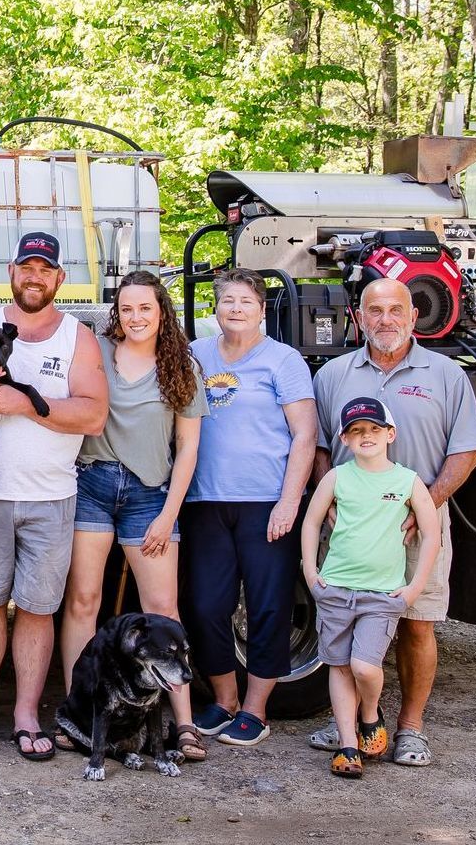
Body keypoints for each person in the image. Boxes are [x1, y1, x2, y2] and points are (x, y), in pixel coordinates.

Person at [0, 232, 108, 761]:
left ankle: (26, 715)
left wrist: (22, 403)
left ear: (59, 278)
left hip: (52, 497)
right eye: (26, 267)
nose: (34, 277)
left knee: (36, 609)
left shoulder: (77, 338)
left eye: (45, 269)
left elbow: (94, 414)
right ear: (11, 272)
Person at [305, 278, 476, 766]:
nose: (385, 319)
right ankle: (355, 721)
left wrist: (423, 506)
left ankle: (410, 728)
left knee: (417, 626)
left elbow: (466, 448)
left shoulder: (446, 374)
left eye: (395, 310)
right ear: (358, 317)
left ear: (413, 316)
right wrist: (334, 504)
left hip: (416, 527)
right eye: (374, 310)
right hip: (350, 531)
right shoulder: (333, 375)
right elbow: (320, 445)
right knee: (344, 627)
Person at [57, 270, 209, 762]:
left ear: (161, 312)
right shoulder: (96, 355)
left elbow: (187, 449)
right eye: (127, 309)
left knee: (163, 610)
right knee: (83, 601)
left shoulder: (181, 366)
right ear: (116, 315)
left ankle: (183, 725)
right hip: (93, 485)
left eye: (146, 308)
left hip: (149, 496)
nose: (136, 317)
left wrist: (168, 515)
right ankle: (81, 717)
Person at [181, 267, 316, 747]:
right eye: (227, 301)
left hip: (265, 503)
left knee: (268, 605)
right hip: (205, 499)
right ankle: (225, 698)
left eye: (245, 301)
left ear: (262, 309)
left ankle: (256, 709)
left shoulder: (283, 360)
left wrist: (289, 502)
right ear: (215, 310)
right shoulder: (195, 355)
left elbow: (305, 435)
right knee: (204, 605)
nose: (235, 309)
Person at [300, 397, 441, 779]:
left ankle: (369, 713)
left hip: (381, 596)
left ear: (390, 434)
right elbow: (312, 523)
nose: (366, 436)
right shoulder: (338, 477)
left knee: (364, 666)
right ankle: (348, 747)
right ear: (344, 438)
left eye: (374, 429)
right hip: (336, 590)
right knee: (340, 666)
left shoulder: (406, 481)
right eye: (357, 430)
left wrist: (413, 589)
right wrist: (312, 573)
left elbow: (431, 534)